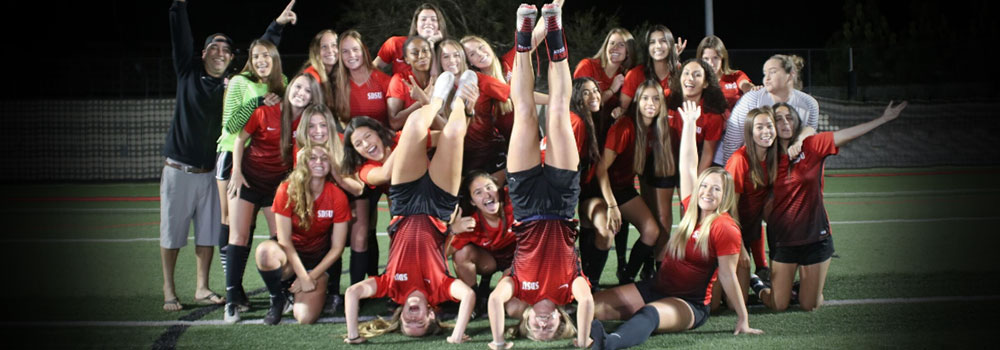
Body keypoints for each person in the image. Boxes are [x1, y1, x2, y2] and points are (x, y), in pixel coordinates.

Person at [589, 100, 763, 350]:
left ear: (725, 196)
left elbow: (727, 274)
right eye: (705, 186)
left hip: (688, 303)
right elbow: (688, 167)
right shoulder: (694, 209)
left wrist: (743, 318)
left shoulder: (725, 226)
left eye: (717, 189)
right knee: (592, 306)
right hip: (655, 287)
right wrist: (690, 125)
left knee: (649, 314)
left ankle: (609, 344)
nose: (707, 192)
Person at [487, 4, 594, 349]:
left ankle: (523, 34)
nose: (544, 324)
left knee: (525, 113)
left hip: (526, 204)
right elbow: (588, 302)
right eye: (551, 329)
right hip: (563, 204)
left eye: (537, 328)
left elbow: (494, 301)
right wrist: (582, 339)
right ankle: (555, 27)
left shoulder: (517, 288)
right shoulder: (570, 291)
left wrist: (499, 341)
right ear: (562, 320)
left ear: (527, 320)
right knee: (560, 113)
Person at [343, 68, 475, 345]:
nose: (414, 319)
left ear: (400, 315)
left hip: (405, 204)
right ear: (431, 315)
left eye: (408, 324)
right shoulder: (441, 291)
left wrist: (354, 336)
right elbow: (468, 296)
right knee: (453, 133)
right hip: (439, 207)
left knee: (414, 127)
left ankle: (436, 99)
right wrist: (456, 335)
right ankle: (461, 100)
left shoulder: (391, 288)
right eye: (421, 324)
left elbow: (352, 293)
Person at [751, 101, 908, 312]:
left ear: (796, 121)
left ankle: (804, 288)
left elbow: (846, 134)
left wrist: (883, 119)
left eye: (789, 117)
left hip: (816, 237)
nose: (785, 123)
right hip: (783, 240)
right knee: (778, 305)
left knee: (810, 305)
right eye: (778, 119)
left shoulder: (812, 145)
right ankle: (758, 284)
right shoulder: (766, 155)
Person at [224, 73, 323, 323]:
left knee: (280, 240)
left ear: (313, 98)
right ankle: (232, 299)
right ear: (290, 88)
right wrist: (236, 171)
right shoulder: (267, 109)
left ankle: (279, 293)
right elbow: (240, 140)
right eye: (297, 86)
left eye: (307, 91)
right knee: (238, 237)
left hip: (277, 188)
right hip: (247, 180)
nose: (301, 93)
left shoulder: (307, 123)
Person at [212, 0, 296, 290]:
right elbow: (232, 126)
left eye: (266, 56)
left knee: (279, 225)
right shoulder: (238, 81)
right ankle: (233, 288)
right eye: (256, 56)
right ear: (250, 58)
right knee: (235, 225)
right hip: (234, 154)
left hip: (269, 163)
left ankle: (281, 286)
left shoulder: (281, 81)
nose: (261, 61)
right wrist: (257, 102)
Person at [161, 0, 234, 312]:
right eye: (214, 48)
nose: (220, 53)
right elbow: (181, 39)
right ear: (203, 53)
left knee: (207, 233)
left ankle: (202, 288)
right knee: (172, 233)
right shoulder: (187, 71)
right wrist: (178, 7)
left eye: (226, 50)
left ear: (230, 59)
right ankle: (168, 289)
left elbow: (264, 60)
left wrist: (277, 27)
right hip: (179, 169)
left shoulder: (231, 86)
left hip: (209, 174)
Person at [254, 145, 351, 324]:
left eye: (324, 158)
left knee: (305, 317)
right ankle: (278, 299)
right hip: (290, 258)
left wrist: (310, 276)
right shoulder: (286, 190)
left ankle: (303, 292)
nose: (319, 162)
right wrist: (302, 275)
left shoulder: (337, 196)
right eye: (313, 158)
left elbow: (337, 248)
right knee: (265, 253)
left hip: (317, 262)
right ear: (303, 163)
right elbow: (283, 240)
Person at [340, 115, 440, 287]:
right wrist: (409, 138)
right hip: (407, 208)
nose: (366, 145)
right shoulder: (365, 168)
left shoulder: (400, 138)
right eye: (358, 144)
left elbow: (445, 136)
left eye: (368, 136)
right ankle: (399, 283)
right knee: (399, 233)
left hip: (435, 199)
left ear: (378, 132)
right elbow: (385, 174)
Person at [595, 80, 670, 285]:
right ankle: (622, 280)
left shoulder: (655, 129)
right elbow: (601, 169)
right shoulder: (625, 127)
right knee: (650, 230)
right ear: (637, 100)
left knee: (652, 231)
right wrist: (611, 204)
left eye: (656, 98)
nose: (651, 103)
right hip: (607, 189)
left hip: (624, 187)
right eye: (645, 98)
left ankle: (628, 278)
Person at [294, 104, 356, 313]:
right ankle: (290, 285)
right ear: (304, 128)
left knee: (335, 242)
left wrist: (335, 171)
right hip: (309, 208)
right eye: (312, 126)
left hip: (338, 204)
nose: (318, 131)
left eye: (323, 125)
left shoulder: (340, 144)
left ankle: (334, 291)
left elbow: (352, 184)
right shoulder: (300, 150)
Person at [718, 106, 777, 309]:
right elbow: (728, 208)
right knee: (733, 304)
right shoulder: (739, 160)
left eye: (769, 126)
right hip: (728, 230)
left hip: (751, 225)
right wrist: (740, 247)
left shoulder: (773, 158)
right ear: (750, 133)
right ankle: (753, 278)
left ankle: (758, 275)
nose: (766, 131)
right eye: (759, 127)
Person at [716, 54, 819, 166]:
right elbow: (732, 142)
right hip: (753, 168)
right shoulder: (751, 99)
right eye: (765, 73)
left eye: (773, 72)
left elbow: (810, 137)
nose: (766, 78)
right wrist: (731, 176)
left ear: (790, 75)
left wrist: (799, 140)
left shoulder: (809, 104)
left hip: (788, 169)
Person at [437, 39, 512, 183]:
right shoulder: (439, 87)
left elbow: (515, 93)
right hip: (460, 154)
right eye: (446, 56)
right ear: (439, 61)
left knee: (493, 193)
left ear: (463, 57)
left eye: (456, 55)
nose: (452, 60)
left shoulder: (478, 79)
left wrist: (555, 99)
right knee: (466, 199)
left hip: (488, 151)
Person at [446, 171, 516, 313]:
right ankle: (475, 300)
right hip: (490, 261)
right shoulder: (471, 222)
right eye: (478, 192)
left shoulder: (515, 202)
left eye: (489, 187)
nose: (487, 194)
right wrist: (453, 229)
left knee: (509, 306)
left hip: (519, 258)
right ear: (472, 201)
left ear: (498, 189)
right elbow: (442, 254)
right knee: (462, 254)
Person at [618, 25, 684, 117]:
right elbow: (622, 111)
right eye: (652, 42)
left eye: (663, 41)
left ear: (670, 45)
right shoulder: (635, 74)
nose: (658, 46)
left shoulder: (681, 73)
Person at [334, 30, 393, 127]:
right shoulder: (338, 85)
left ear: (364, 51)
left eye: (355, 49)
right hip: (354, 140)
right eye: (345, 51)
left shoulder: (385, 81)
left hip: (384, 138)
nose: (351, 55)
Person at [374, 3, 449, 77]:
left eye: (433, 19)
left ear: (439, 25)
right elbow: (374, 67)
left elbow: (438, 80)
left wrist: (431, 44)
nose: (429, 23)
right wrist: (390, 85)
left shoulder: (446, 50)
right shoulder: (396, 43)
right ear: (416, 25)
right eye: (423, 19)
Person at [387, 36, 435, 131]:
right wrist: (422, 99)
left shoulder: (439, 78)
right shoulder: (400, 80)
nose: (421, 56)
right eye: (415, 53)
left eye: (425, 51)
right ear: (407, 59)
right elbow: (394, 123)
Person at [696, 35, 753, 111]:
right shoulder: (696, 82)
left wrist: (753, 89)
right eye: (706, 59)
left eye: (715, 58)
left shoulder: (736, 76)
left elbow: (746, 85)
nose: (711, 63)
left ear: (722, 57)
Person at [301, 29, 340, 124]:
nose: (330, 50)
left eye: (334, 45)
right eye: (324, 47)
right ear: (316, 51)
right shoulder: (311, 76)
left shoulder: (338, 72)